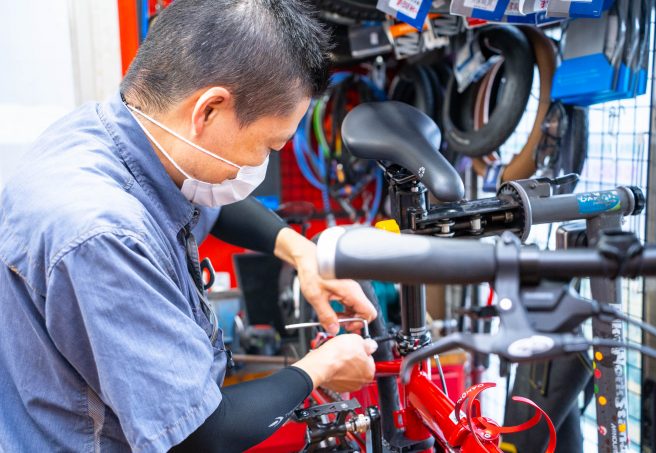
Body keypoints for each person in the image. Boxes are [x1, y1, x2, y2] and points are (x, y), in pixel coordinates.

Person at [0, 1, 378, 451]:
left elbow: (204, 198)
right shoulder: (103, 235)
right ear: (209, 110)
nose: (263, 163)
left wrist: (301, 252)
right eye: (267, 146)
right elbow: (201, 437)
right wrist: (321, 366)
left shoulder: (112, 133)